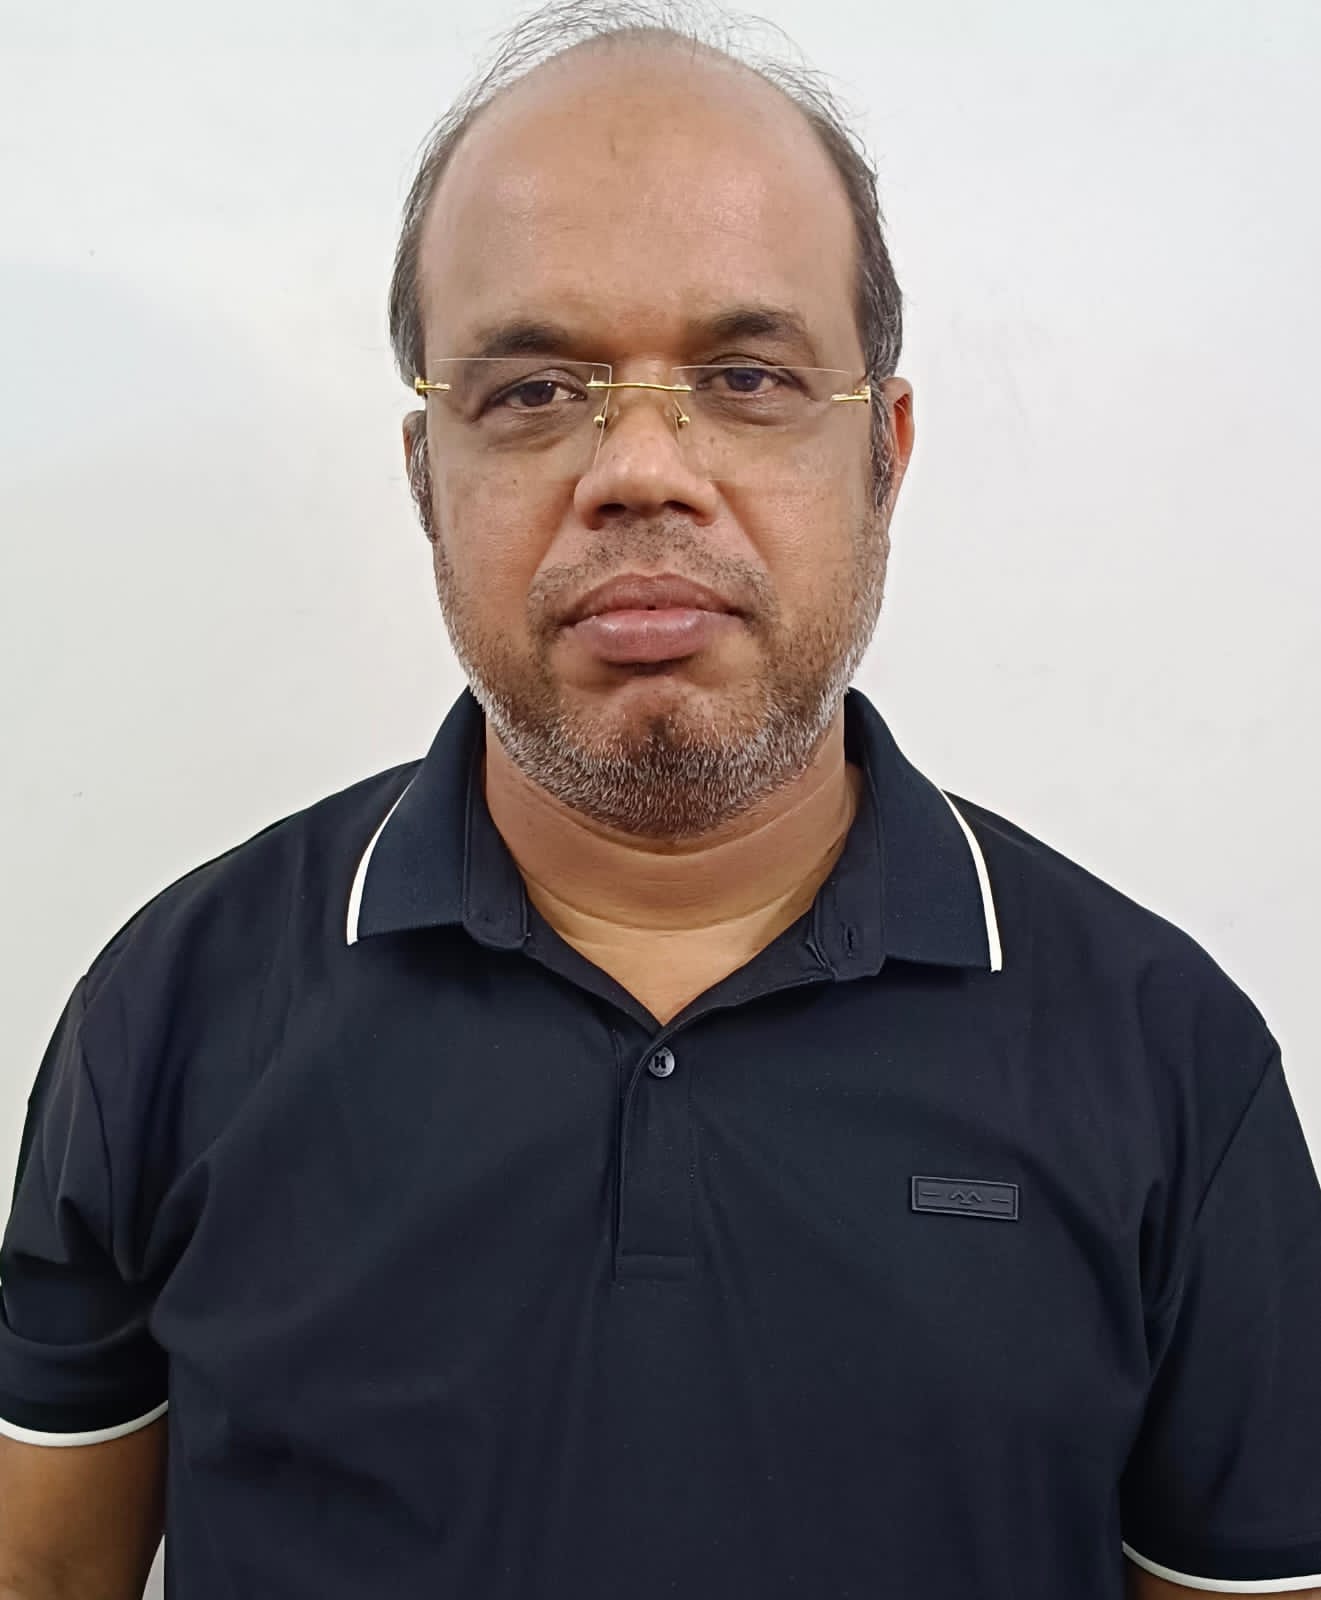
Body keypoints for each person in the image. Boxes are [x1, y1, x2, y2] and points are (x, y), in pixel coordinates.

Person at [2, 6, 1319, 1598]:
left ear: (885, 456)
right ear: (425, 477)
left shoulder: (1166, 1060)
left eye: (746, 376)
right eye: (533, 389)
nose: (639, 468)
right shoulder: (174, 1009)